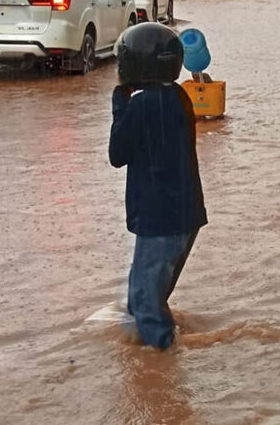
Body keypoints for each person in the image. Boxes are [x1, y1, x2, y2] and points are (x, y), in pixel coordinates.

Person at [109, 23, 207, 350]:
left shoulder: (141, 105)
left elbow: (117, 154)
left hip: (159, 219)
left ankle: (159, 368)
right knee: (145, 297)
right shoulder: (179, 96)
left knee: (145, 302)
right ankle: (154, 346)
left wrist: (119, 104)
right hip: (185, 215)